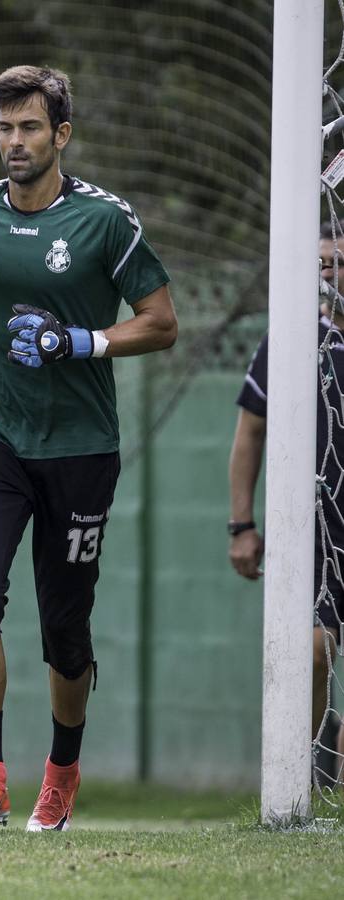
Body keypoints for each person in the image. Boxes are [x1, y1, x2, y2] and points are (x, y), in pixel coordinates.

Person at [0, 65, 177, 831]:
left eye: (30, 127)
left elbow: (162, 321)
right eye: (4, 128)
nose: (14, 142)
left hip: (81, 447)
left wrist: (82, 340)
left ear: (61, 134)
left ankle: (60, 775)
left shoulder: (105, 221)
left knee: (65, 632)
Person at [228, 222, 344, 785]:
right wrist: (241, 524)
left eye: (338, 260)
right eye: (321, 262)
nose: (330, 271)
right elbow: (250, 433)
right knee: (315, 651)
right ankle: (310, 759)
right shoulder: (292, 340)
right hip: (316, 531)